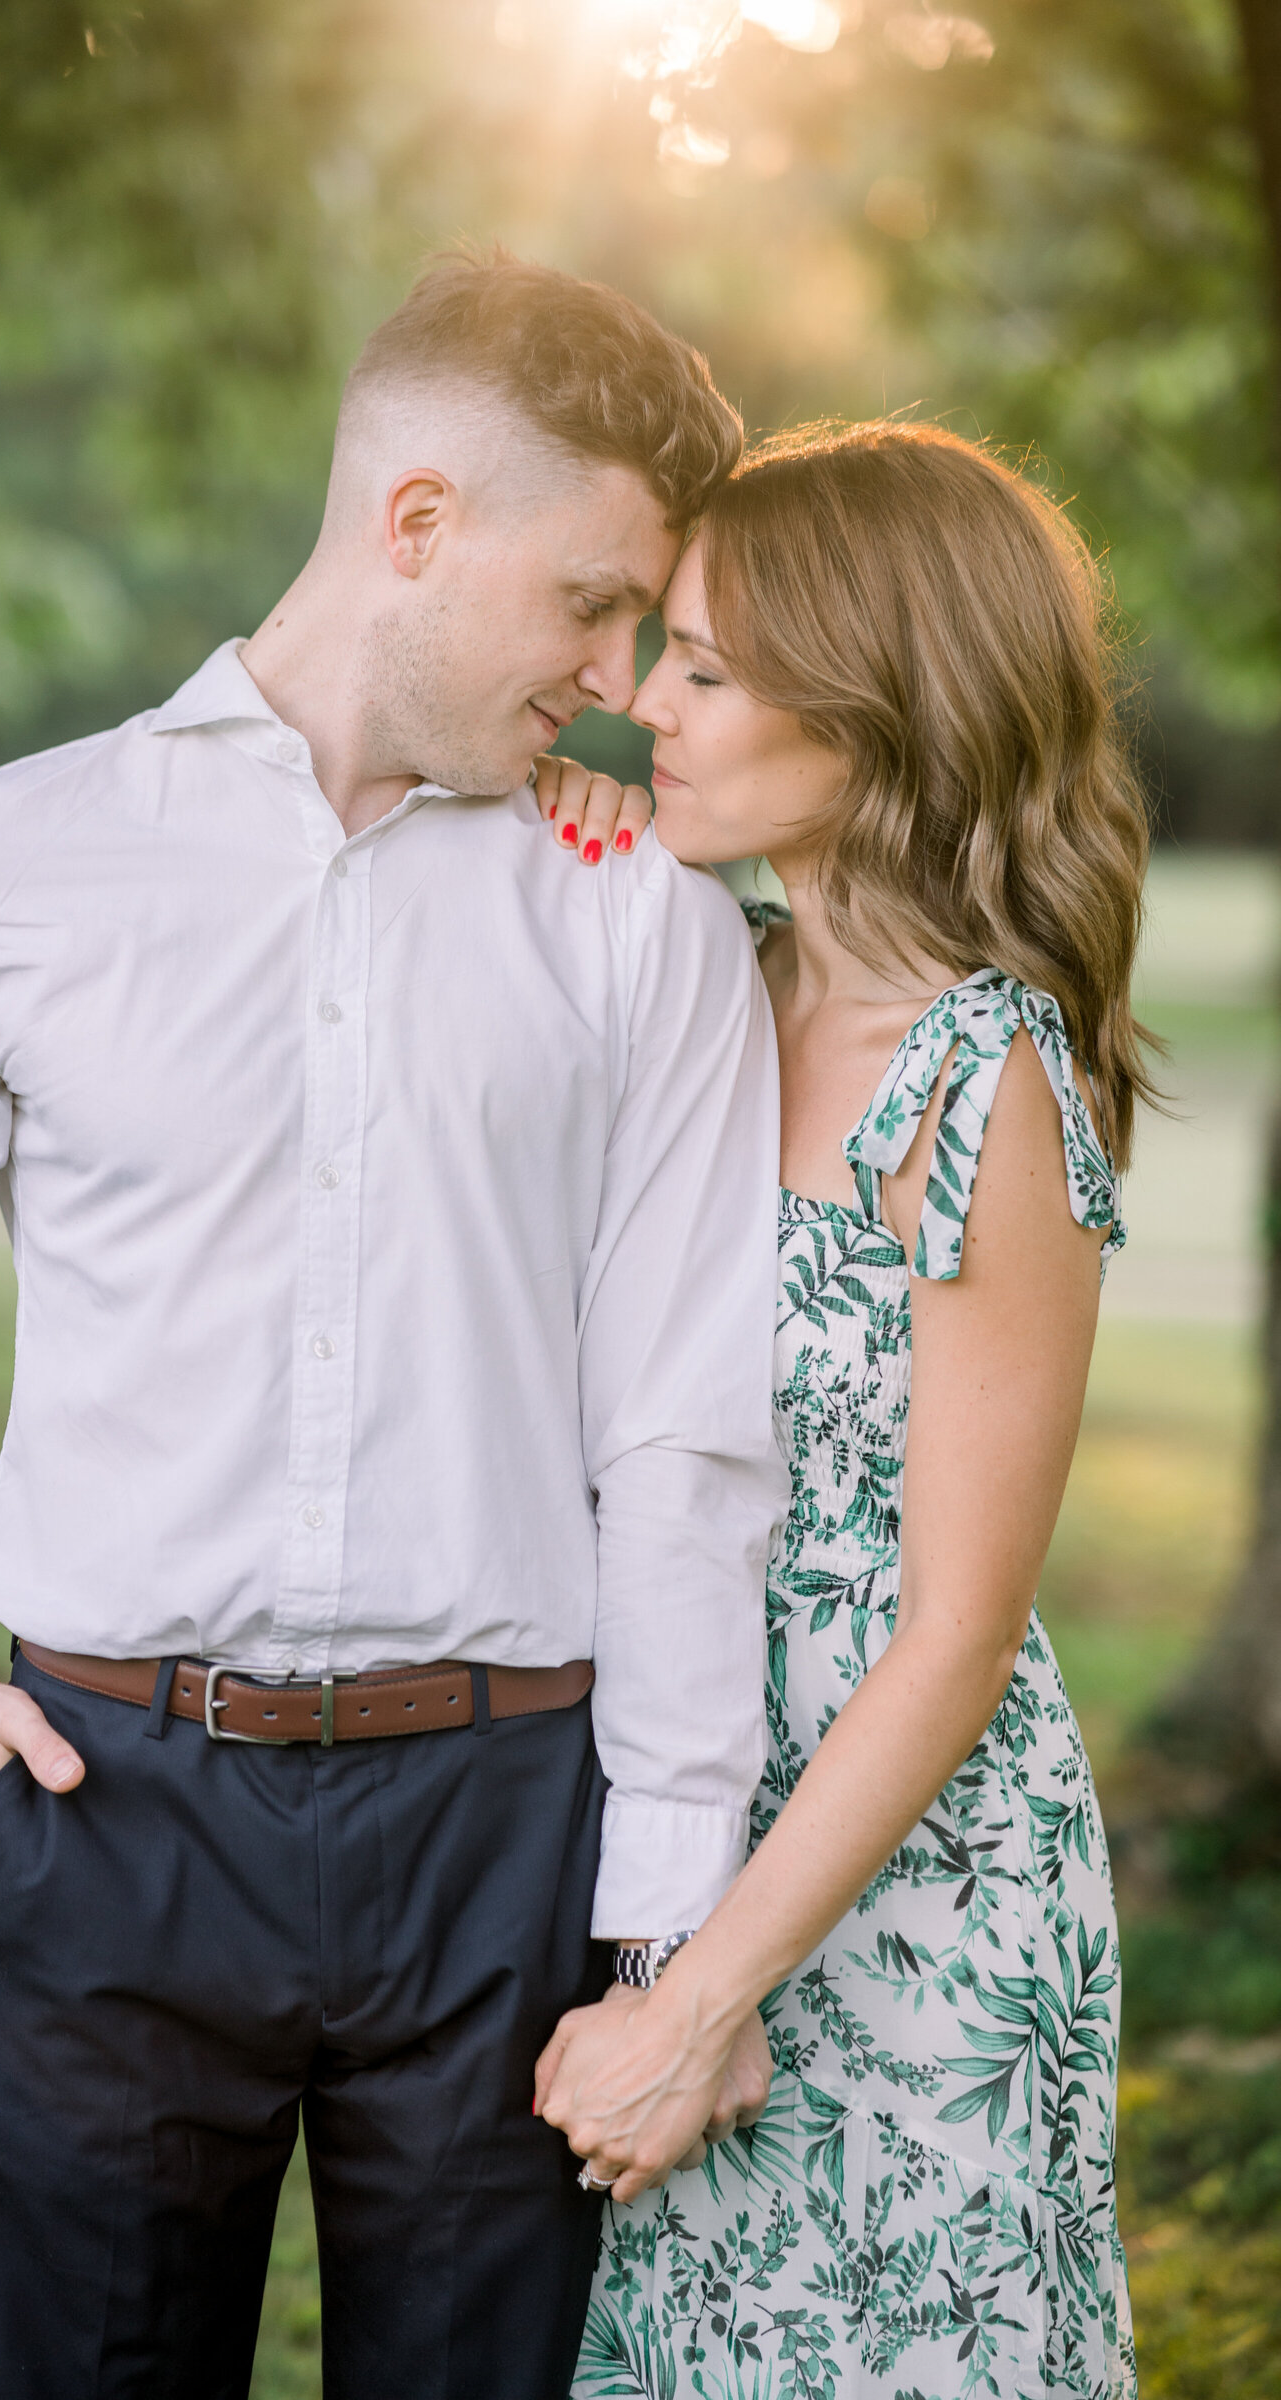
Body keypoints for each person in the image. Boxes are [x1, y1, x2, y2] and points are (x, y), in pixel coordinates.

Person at [0, 250, 789, 2400]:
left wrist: (667, 1920)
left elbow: (682, 1424)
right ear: (417, 523)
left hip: (507, 1832)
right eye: (591, 607)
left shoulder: (630, 913)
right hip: (103, 1815)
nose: (615, 678)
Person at [532, 421, 1146, 2398]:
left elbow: (953, 1634)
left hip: (896, 1890)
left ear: (876, 703)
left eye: (704, 666)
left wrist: (701, 1999)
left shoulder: (987, 1093)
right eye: (656, 653)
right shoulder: (714, 974)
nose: (647, 703)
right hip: (676, 1798)